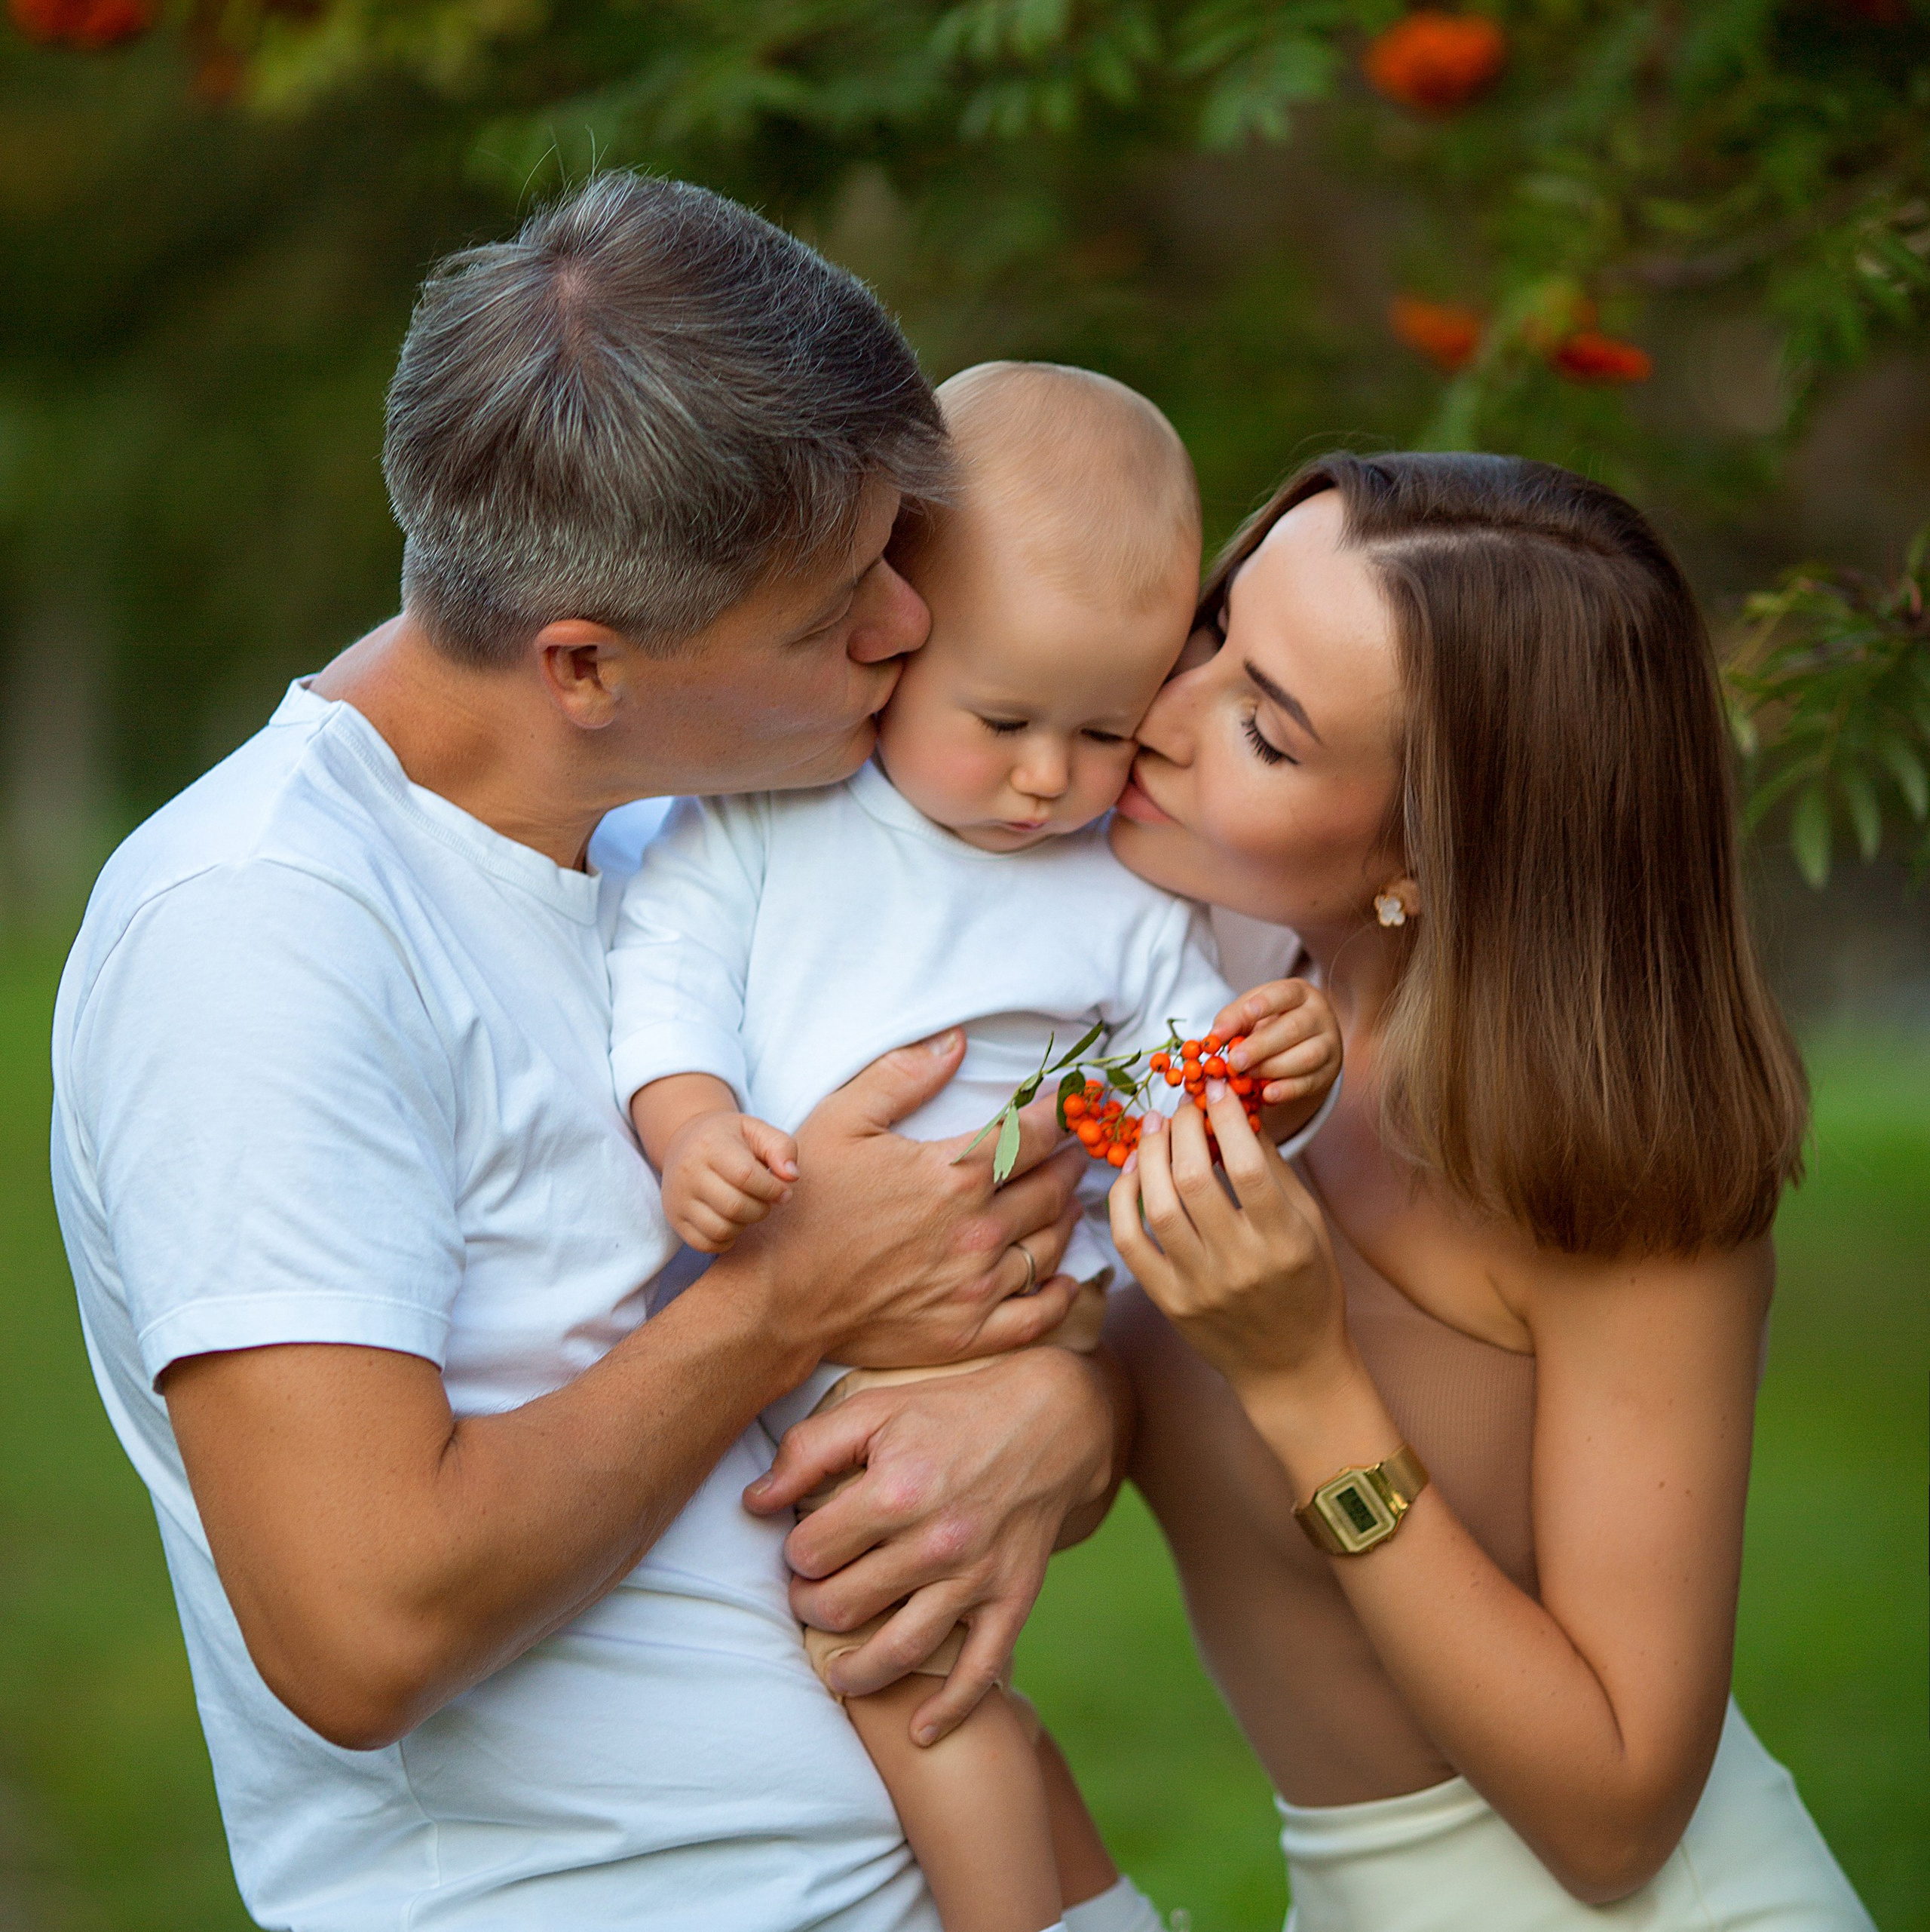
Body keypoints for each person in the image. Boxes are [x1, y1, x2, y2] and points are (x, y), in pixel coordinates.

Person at [48, 173, 1125, 1932]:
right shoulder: (262, 933)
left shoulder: (688, 847)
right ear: (584, 664)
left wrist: (1059, 1404)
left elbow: (953, 1301)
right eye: (832, 606)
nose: (905, 632)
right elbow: (355, 1629)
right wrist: (779, 1304)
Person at [1095, 452, 1877, 1930]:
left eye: (1262, 729)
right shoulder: (1205, 988)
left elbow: (1616, 1817)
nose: (1160, 715)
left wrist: (1305, 1384)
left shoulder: (1611, 1181)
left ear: (1427, 850)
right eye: (1207, 635)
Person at [615, 360, 1344, 1932]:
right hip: (780, 1306)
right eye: (1000, 719)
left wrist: (1259, 1078)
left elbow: (1157, 1089)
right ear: (894, 635)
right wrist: (688, 1128)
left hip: (975, 1338)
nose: (1046, 779)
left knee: (899, 1677)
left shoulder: (1119, 890)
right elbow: (660, 970)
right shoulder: (766, 816)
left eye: (1100, 729)